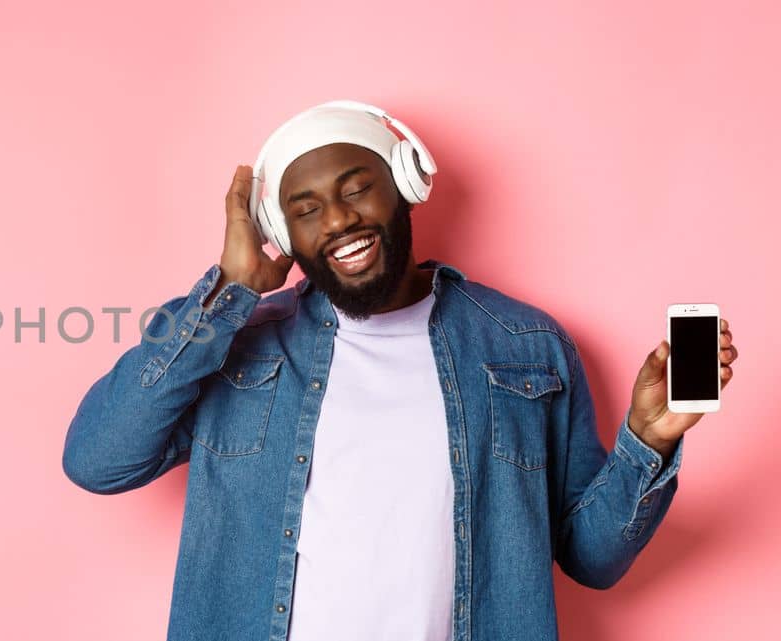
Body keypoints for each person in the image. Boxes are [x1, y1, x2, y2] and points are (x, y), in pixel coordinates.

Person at [60, 101, 740, 641]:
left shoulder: (526, 345)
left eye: (358, 189)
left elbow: (592, 560)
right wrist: (228, 292)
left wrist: (648, 441)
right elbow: (97, 459)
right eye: (305, 209)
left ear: (407, 187)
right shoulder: (240, 345)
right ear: (283, 233)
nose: (338, 220)